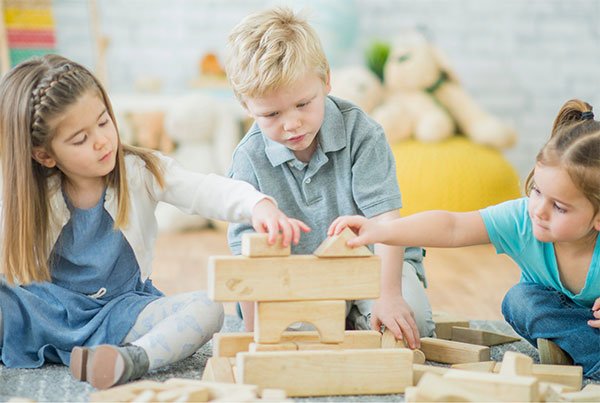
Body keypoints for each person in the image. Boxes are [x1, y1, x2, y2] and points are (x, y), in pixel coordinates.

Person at [0, 54, 308, 390]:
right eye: (80, 139)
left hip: (119, 312)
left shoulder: (140, 171)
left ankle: (130, 359)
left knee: (208, 309)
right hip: (43, 308)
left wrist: (256, 204)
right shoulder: (27, 194)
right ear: (44, 155)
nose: (102, 141)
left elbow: (202, 189)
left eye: (103, 122)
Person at [330, 98, 600, 379]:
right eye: (537, 192)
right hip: (559, 320)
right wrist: (383, 230)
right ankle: (584, 352)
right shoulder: (522, 219)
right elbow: (452, 226)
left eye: (559, 207)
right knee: (520, 300)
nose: (539, 211)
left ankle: (578, 352)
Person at [225, 6, 435, 349]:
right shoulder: (247, 159)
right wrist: (256, 339)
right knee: (292, 339)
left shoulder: (363, 133)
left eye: (303, 105)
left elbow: (386, 222)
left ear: (326, 81)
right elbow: (249, 262)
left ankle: (358, 312)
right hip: (296, 277)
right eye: (272, 114)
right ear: (246, 106)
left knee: (414, 323)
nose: (291, 124)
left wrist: (389, 295)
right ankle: (348, 317)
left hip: (371, 261)